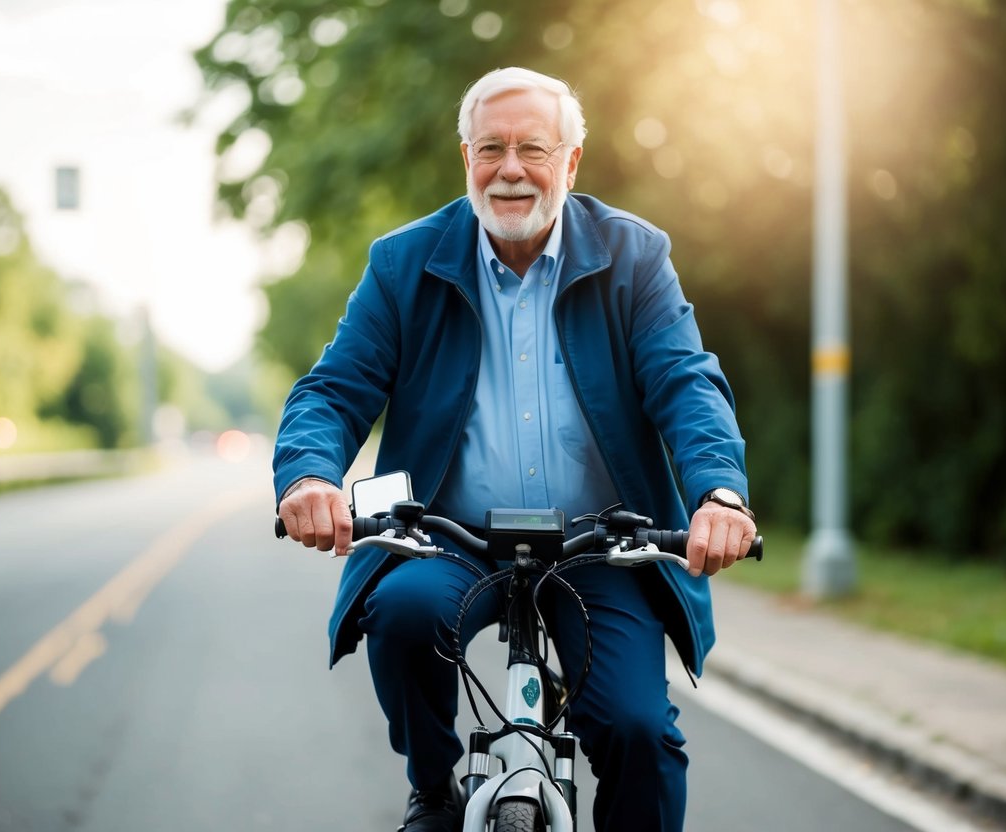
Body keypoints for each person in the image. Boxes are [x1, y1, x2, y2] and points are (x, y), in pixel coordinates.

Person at [274, 67, 757, 832]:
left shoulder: (634, 256)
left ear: (569, 162)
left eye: (531, 148)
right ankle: (433, 789)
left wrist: (718, 492)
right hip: (448, 542)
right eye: (489, 148)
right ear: (464, 156)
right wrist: (307, 475)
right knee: (399, 618)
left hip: (597, 547)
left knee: (638, 731)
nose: (508, 169)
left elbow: (684, 381)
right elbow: (333, 391)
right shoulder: (403, 263)